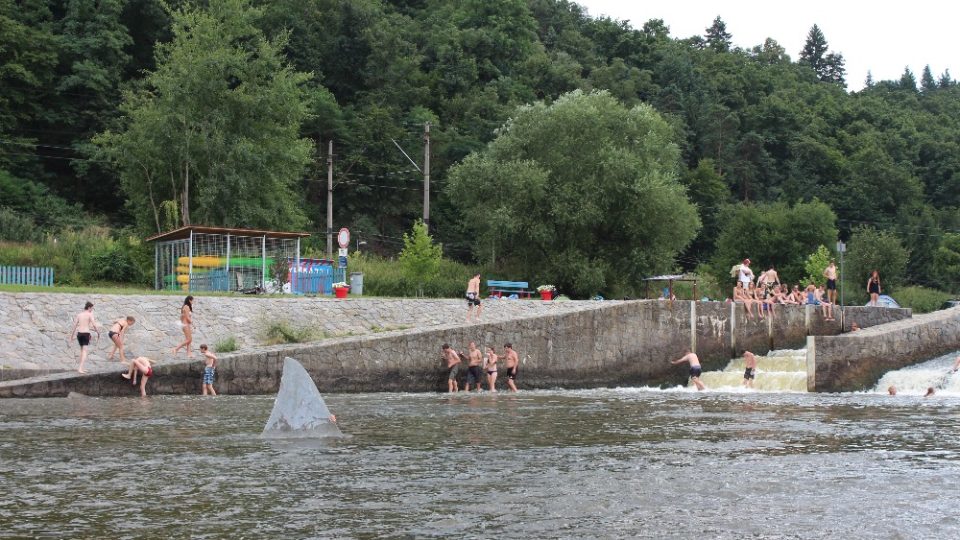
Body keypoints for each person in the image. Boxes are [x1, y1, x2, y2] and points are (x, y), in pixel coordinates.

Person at [69, 302, 101, 374]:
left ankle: (82, 368)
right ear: (89, 307)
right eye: (92, 308)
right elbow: (94, 324)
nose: (92, 310)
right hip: (85, 334)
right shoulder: (90, 314)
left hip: (79, 334)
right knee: (85, 351)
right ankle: (80, 368)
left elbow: (74, 326)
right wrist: (98, 332)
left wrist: (71, 336)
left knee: (82, 351)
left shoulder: (79, 315)